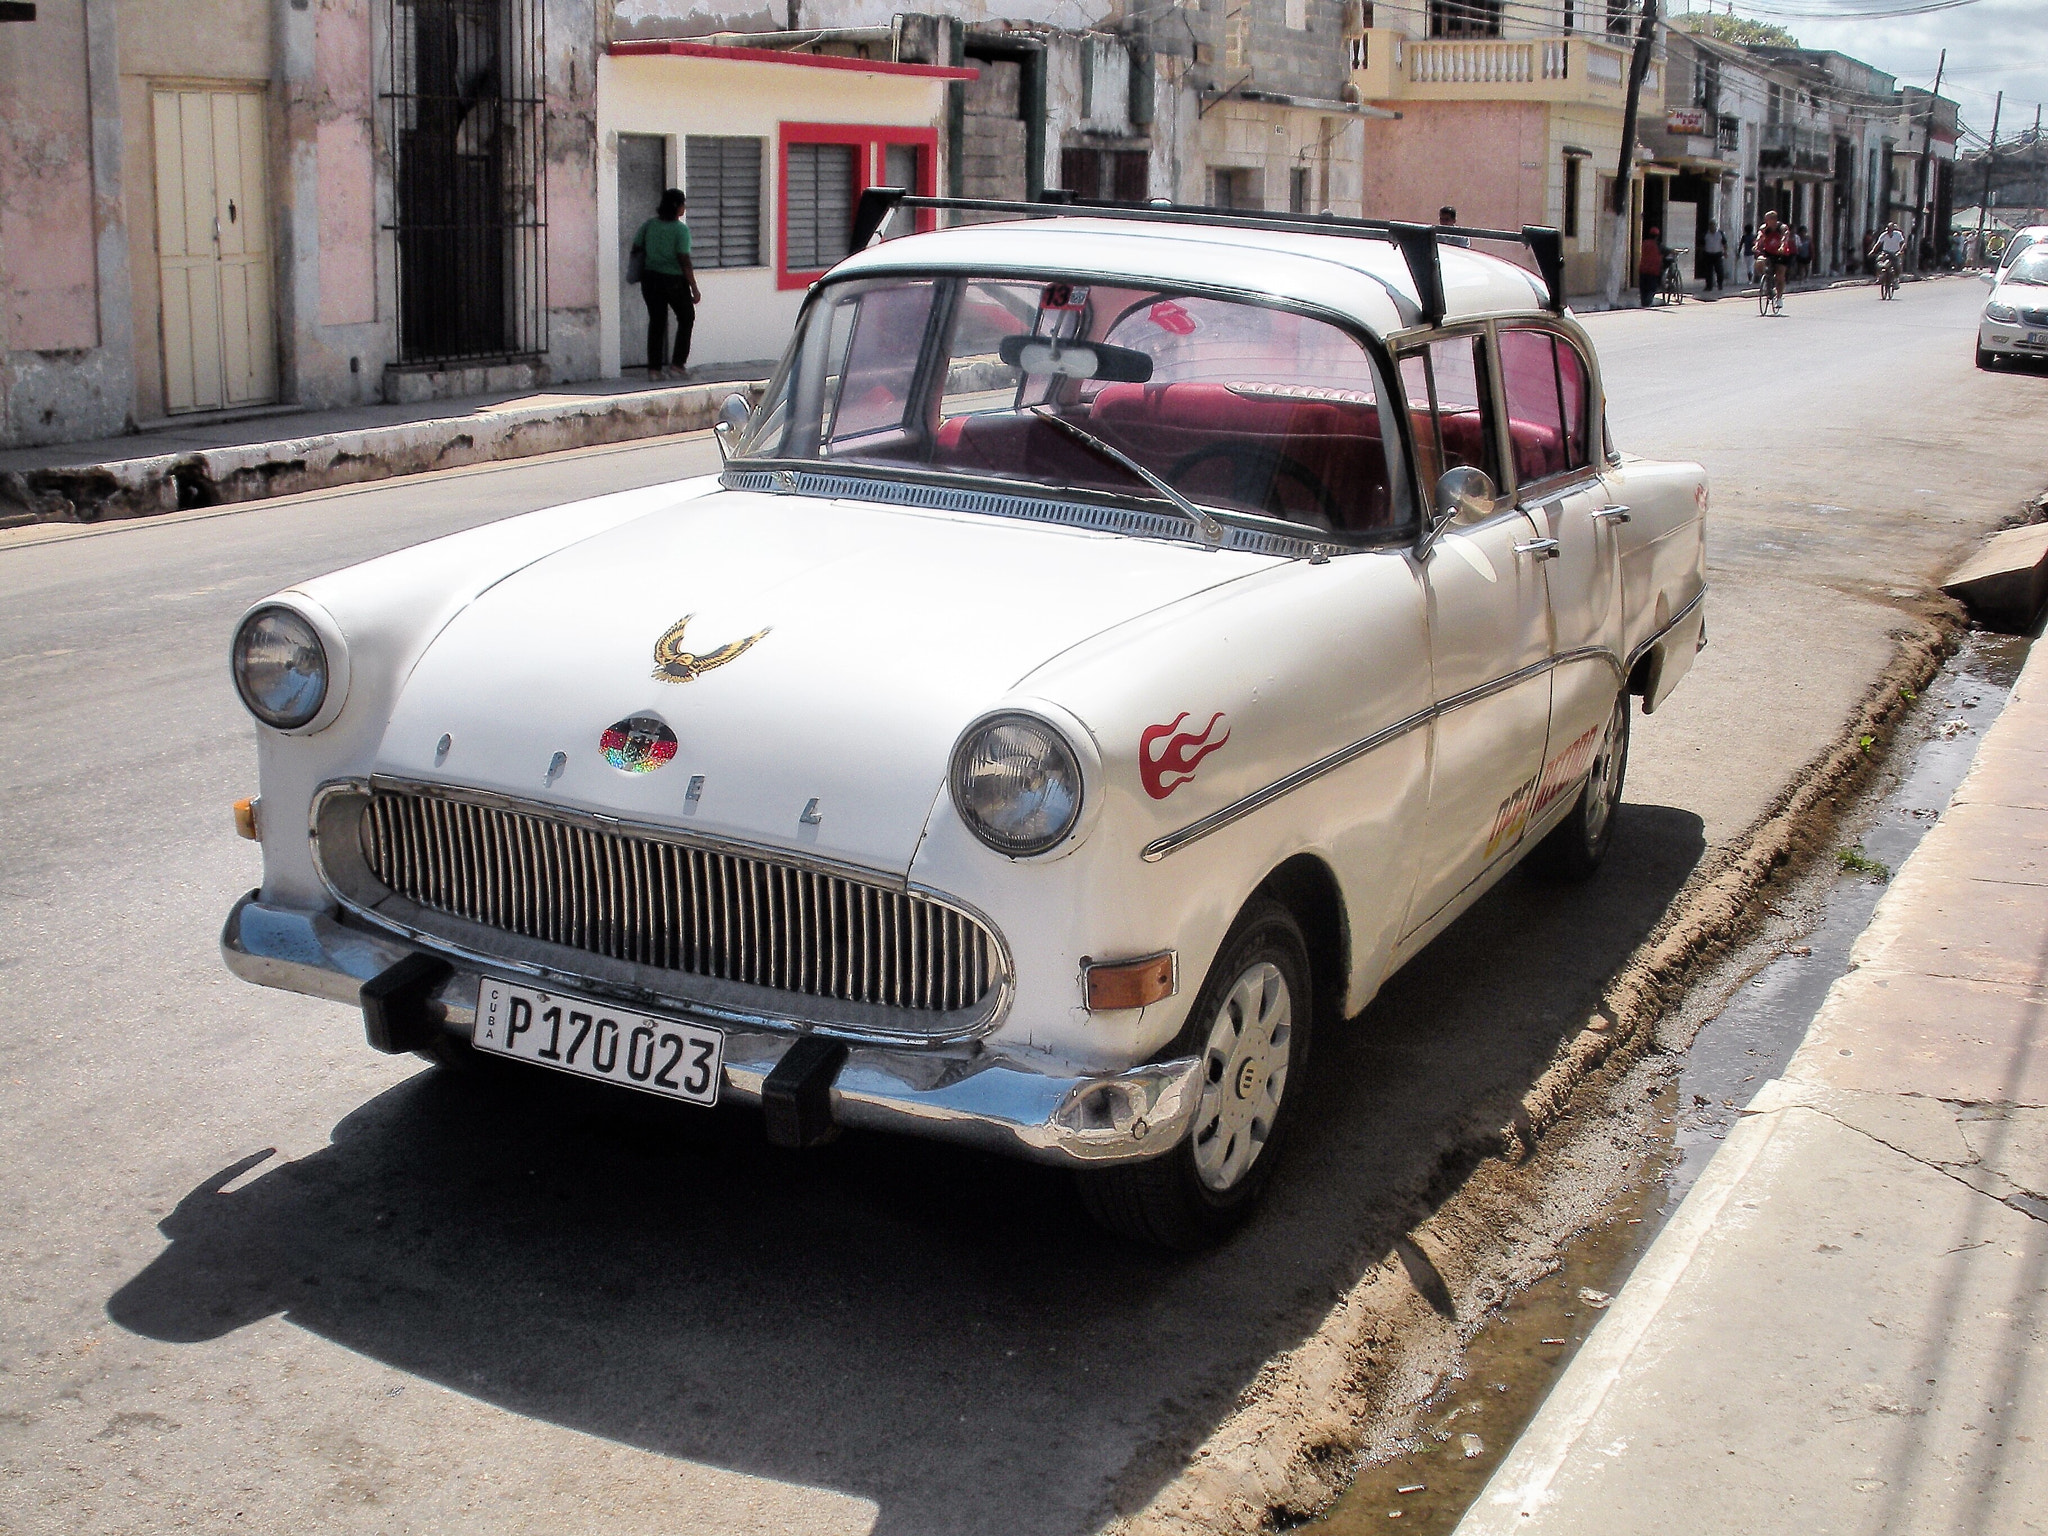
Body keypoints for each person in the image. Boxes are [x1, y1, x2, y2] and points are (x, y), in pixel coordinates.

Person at [632, 188, 701, 381]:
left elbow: (637, 247)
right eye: (683, 204)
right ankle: (677, 365)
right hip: (674, 280)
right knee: (687, 318)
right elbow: (684, 260)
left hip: (650, 279)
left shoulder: (649, 226)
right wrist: (694, 287)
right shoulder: (681, 230)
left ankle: (654, 370)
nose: (684, 208)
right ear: (677, 206)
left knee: (657, 322)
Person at [1754, 210, 1795, 313]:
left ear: (1774, 220)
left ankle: (1779, 297)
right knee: (1759, 262)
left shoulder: (1782, 228)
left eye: (1768, 219)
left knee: (1780, 275)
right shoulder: (1764, 228)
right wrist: (1757, 244)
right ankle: (1767, 281)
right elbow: (1760, 235)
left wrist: (1782, 246)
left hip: (1781, 253)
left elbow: (1785, 238)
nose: (1766, 221)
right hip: (1769, 252)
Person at [1638, 225, 1664, 308]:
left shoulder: (1644, 243)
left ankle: (1643, 303)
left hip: (1643, 269)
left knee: (1643, 288)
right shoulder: (1658, 245)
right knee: (1651, 288)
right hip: (1653, 271)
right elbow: (1666, 250)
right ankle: (1647, 303)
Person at [1700, 222, 1727, 291]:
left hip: (1717, 254)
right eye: (1711, 226)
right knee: (1708, 272)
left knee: (1719, 270)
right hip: (1708, 254)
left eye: (1713, 226)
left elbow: (1724, 243)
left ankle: (1720, 284)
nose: (1712, 227)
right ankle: (1709, 286)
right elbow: (1702, 244)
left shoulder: (1720, 233)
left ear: (1715, 226)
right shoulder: (1706, 234)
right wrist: (1701, 253)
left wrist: (1725, 252)